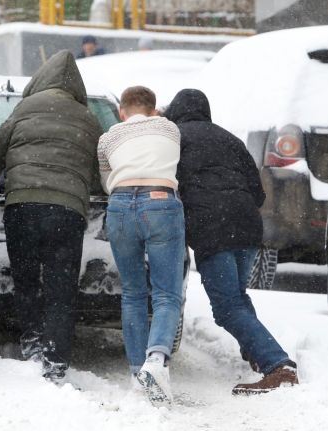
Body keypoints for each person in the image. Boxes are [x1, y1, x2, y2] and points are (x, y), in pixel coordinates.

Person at [165, 89, 299, 395]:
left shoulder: (174, 138)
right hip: (248, 225)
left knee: (226, 308)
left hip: (212, 227)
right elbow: (260, 193)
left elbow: (168, 184)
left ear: (176, 111)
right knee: (237, 296)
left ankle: (279, 365)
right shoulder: (230, 139)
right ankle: (256, 351)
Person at [0, 50, 104, 383]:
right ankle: (56, 361)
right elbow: (97, 176)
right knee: (61, 288)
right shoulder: (89, 118)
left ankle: (32, 343)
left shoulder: (23, 109)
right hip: (67, 211)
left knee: (26, 281)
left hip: (22, 206)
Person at [97, 86, 183, 407]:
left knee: (133, 292)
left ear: (121, 113)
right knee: (166, 293)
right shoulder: (168, 127)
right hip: (160, 201)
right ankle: (156, 362)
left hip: (119, 205)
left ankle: (137, 375)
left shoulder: (107, 138)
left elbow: (107, 181)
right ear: (154, 111)